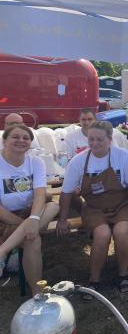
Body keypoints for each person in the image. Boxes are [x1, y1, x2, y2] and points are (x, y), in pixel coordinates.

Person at [57, 121, 128, 298]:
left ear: (109, 139)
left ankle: (123, 275)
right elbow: (66, 193)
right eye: (91, 139)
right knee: (102, 234)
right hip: (94, 208)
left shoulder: (121, 155)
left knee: (122, 232)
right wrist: (63, 218)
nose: (95, 143)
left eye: (100, 139)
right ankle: (94, 281)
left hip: (121, 204)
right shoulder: (78, 162)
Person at [0, 125, 59, 294]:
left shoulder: (36, 161)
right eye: (15, 137)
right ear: (4, 141)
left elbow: (40, 194)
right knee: (32, 239)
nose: (21, 140)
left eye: (26, 138)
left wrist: (33, 219)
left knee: (54, 205)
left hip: (30, 212)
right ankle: (37, 291)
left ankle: (2, 252)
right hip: (5, 217)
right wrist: (26, 225)